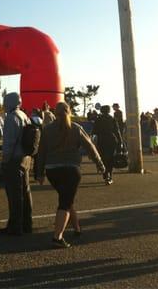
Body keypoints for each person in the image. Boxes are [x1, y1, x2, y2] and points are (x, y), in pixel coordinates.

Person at [36, 102, 105, 248]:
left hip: (52, 170)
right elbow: (90, 147)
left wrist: (39, 172)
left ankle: (77, 228)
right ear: (69, 112)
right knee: (65, 202)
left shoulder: (47, 130)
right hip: (72, 170)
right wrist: (100, 164)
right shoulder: (75, 128)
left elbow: (41, 152)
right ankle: (57, 237)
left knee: (66, 197)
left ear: (55, 113)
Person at [0, 92, 33, 236]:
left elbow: (9, 143)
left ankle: (15, 226)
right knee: (25, 192)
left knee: (14, 195)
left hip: (14, 160)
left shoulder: (11, 118)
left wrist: (3, 162)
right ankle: (27, 224)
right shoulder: (24, 115)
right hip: (25, 159)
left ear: (10, 102)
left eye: (5, 101)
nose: (4, 105)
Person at [92, 105, 122, 185]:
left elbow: (94, 131)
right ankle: (110, 176)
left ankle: (105, 175)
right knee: (111, 159)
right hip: (111, 140)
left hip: (101, 140)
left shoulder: (98, 119)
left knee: (103, 158)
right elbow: (117, 131)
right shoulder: (112, 119)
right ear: (109, 111)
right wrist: (120, 142)